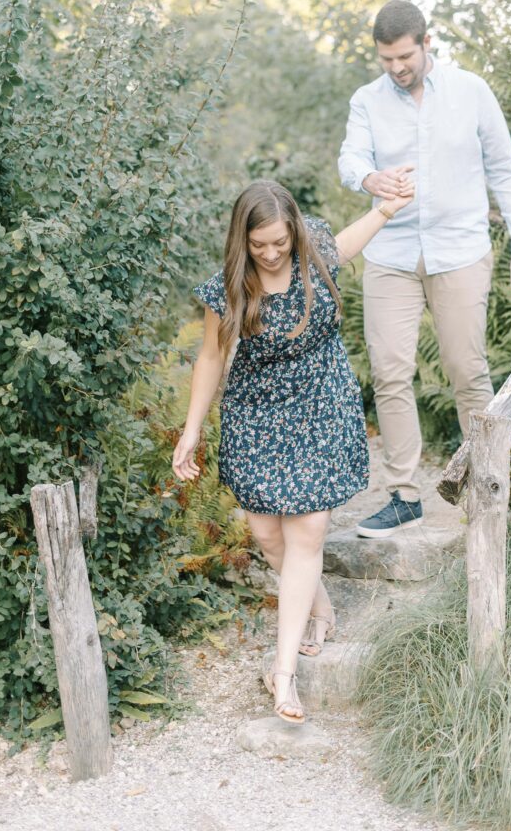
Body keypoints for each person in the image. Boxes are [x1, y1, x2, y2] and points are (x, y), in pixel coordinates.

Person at [172, 178, 413, 723]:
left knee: (306, 532)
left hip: (321, 402)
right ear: (244, 241)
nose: (273, 252)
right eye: (261, 245)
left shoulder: (314, 249)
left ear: (294, 229)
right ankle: (319, 607)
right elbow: (210, 360)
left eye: (280, 241)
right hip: (256, 411)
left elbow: (350, 240)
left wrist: (385, 211)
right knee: (266, 534)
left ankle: (283, 678)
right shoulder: (230, 287)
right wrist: (192, 430)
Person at [338, 0, 511, 539]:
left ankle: (484, 486)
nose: (396, 68)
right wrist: (370, 180)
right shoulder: (366, 101)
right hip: (391, 256)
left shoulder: (471, 91)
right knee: (390, 370)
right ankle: (403, 495)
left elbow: (504, 169)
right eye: (386, 60)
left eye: (404, 56)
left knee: (466, 371)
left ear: (427, 44)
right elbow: (349, 159)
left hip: (460, 251)